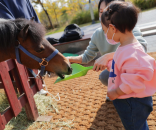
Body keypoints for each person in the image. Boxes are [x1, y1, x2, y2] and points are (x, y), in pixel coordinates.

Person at [67, 0, 147, 101]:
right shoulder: (98, 34)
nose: (104, 15)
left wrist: (108, 56)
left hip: (133, 68)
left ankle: (130, 90)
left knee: (134, 84)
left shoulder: (128, 28)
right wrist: (69, 59)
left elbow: (141, 49)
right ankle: (119, 90)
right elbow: (86, 57)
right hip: (115, 70)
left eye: (108, 11)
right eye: (101, 12)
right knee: (105, 76)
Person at [101, 1, 156, 129]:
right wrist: (110, 65)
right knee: (138, 125)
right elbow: (124, 67)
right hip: (128, 99)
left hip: (131, 101)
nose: (105, 35)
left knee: (134, 126)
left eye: (105, 31)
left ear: (113, 29)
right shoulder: (125, 46)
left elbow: (134, 80)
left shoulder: (132, 51)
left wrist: (116, 92)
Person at [0, 0, 48, 95]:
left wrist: (37, 28)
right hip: (22, 33)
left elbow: (31, 10)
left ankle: (39, 85)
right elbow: (6, 18)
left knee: (37, 54)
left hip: (28, 31)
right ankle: (31, 89)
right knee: (24, 58)